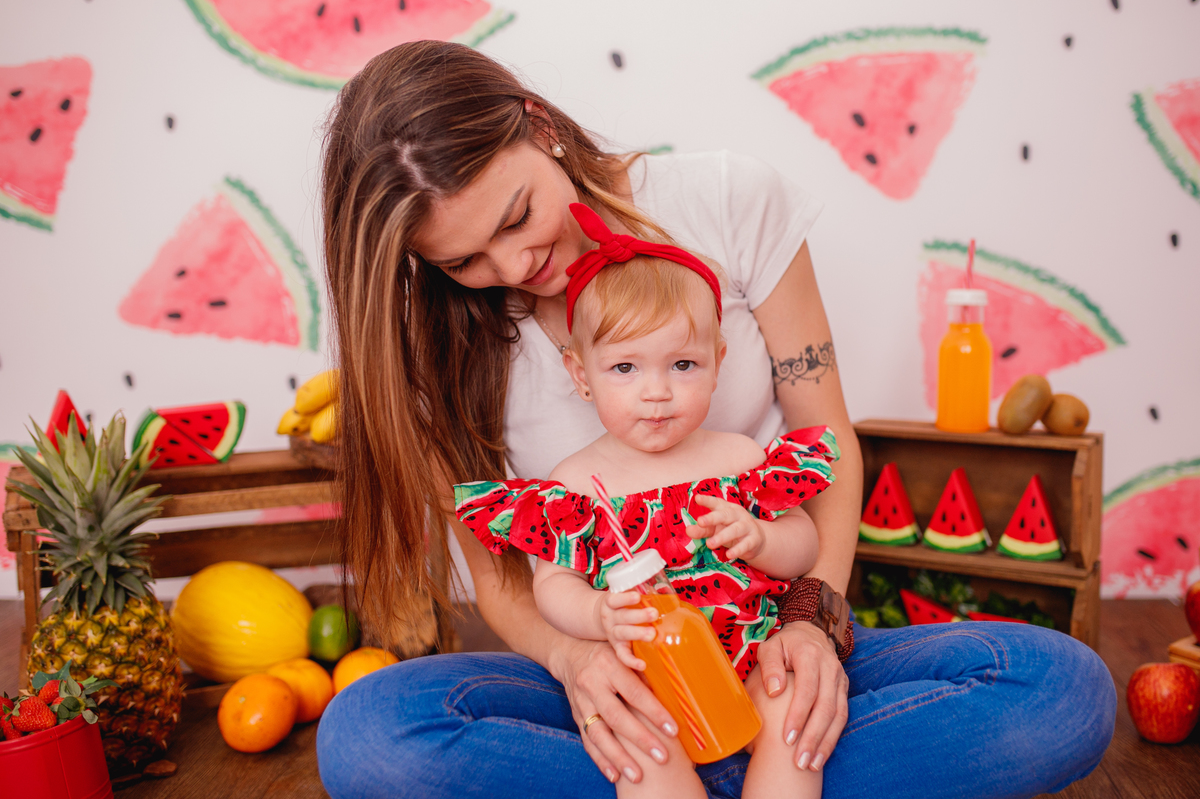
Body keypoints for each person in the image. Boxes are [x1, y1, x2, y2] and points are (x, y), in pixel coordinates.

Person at [315, 40, 1115, 799]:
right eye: (463, 261)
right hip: (622, 671)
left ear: (542, 126)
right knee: (368, 733)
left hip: (768, 635)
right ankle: (748, 774)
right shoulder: (427, 341)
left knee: (1061, 689)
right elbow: (500, 579)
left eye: (517, 216)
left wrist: (810, 626)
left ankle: (761, 759)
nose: (514, 267)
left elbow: (826, 445)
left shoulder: (729, 200)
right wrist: (576, 659)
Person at [454, 202, 841, 797]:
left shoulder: (738, 459)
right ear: (581, 375)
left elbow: (804, 545)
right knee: (642, 752)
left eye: (683, 364)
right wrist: (596, 615)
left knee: (792, 715)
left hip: (754, 656)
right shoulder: (575, 484)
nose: (656, 392)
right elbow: (553, 585)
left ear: (718, 363)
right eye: (625, 368)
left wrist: (763, 537)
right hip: (649, 676)